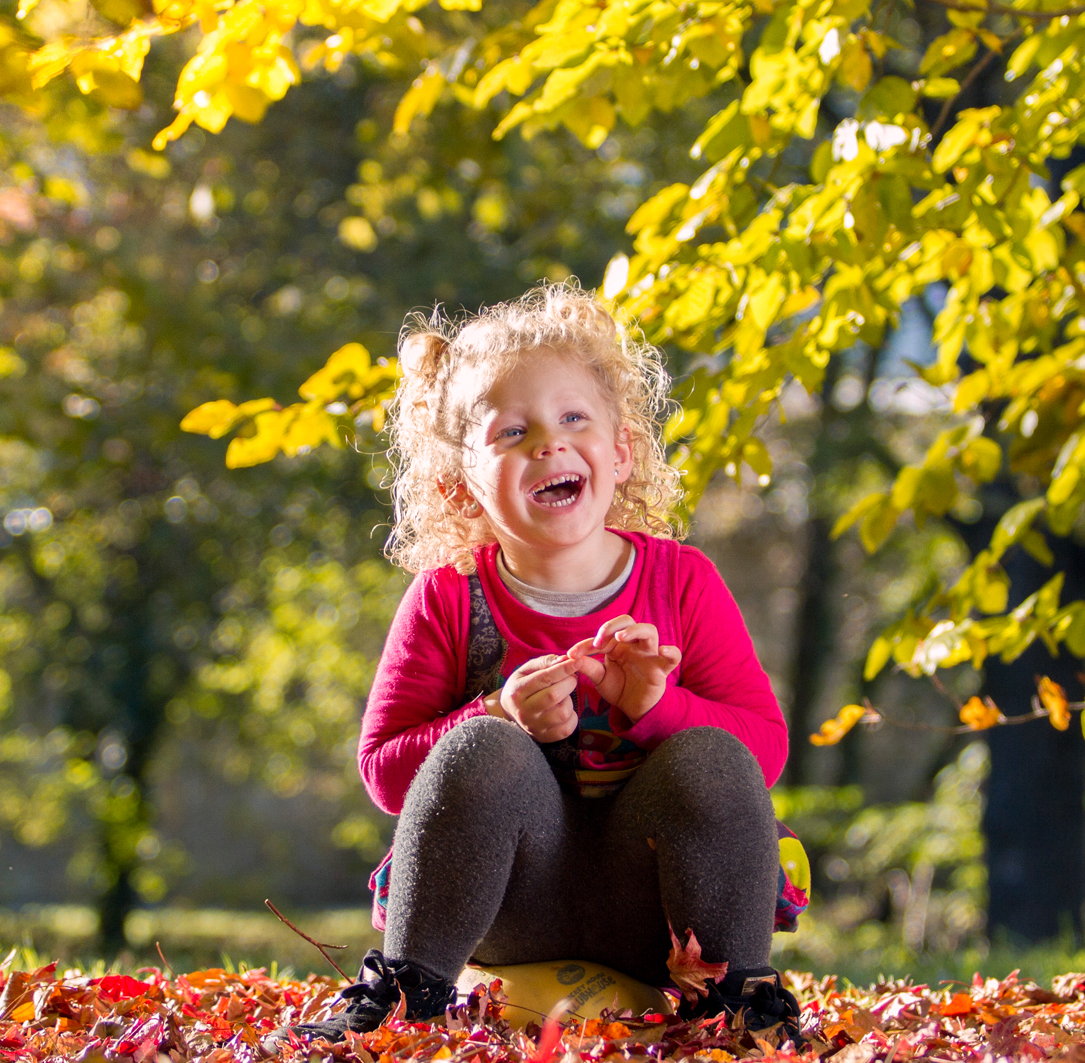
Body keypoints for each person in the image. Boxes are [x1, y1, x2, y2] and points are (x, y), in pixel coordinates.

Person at [277, 282, 798, 1045]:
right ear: (461, 485)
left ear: (620, 452)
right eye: (512, 432)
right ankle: (404, 995)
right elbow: (386, 772)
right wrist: (493, 714)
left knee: (713, 756)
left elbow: (767, 751)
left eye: (573, 419)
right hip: (508, 902)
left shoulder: (682, 580)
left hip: (658, 908)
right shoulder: (449, 597)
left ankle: (741, 1007)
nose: (548, 444)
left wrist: (657, 710)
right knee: (482, 746)